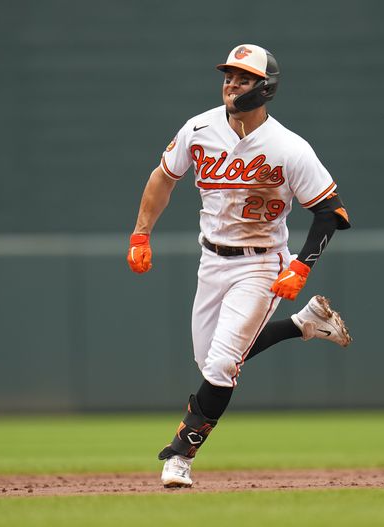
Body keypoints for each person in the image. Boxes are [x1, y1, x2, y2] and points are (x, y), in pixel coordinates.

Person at [127, 44, 352, 488]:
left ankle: (180, 455)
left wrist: (301, 267)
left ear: (265, 87)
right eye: (228, 75)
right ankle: (303, 324)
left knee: (222, 365)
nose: (231, 83)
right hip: (211, 260)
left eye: (243, 77)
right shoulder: (200, 128)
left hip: (261, 264)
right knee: (211, 360)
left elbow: (332, 212)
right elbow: (163, 177)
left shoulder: (289, 147)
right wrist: (140, 232)